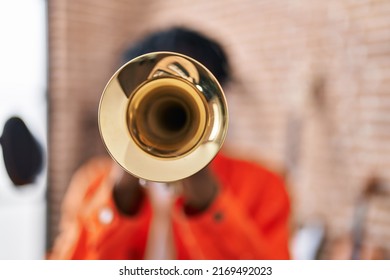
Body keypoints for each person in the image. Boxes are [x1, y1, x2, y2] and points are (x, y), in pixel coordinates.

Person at [49, 26, 291, 260]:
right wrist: (119, 195)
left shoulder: (264, 185)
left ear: (219, 100)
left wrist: (209, 200)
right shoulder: (91, 183)